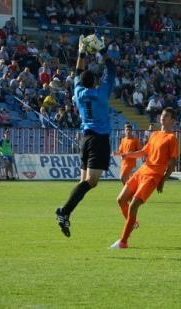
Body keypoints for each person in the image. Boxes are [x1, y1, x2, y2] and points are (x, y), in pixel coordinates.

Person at [55, 34, 116, 237]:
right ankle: (63, 211)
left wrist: (82, 52)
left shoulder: (79, 91)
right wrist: (102, 50)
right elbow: (112, 70)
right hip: (98, 140)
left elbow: (78, 71)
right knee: (92, 181)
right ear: (95, 81)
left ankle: (66, 213)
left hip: (85, 139)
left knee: (83, 182)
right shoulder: (101, 93)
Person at [109, 107, 179, 249]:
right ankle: (132, 223)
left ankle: (123, 241)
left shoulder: (172, 138)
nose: (162, 117)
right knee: (121, 200)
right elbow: (142, 152)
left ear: (173, 120)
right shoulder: (154, 135)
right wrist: (126, 155)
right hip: (142, 171)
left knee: (134, 205)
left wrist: (163, 180)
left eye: (166, 116)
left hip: (153, 176)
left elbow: (173, 163)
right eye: (162, 115)